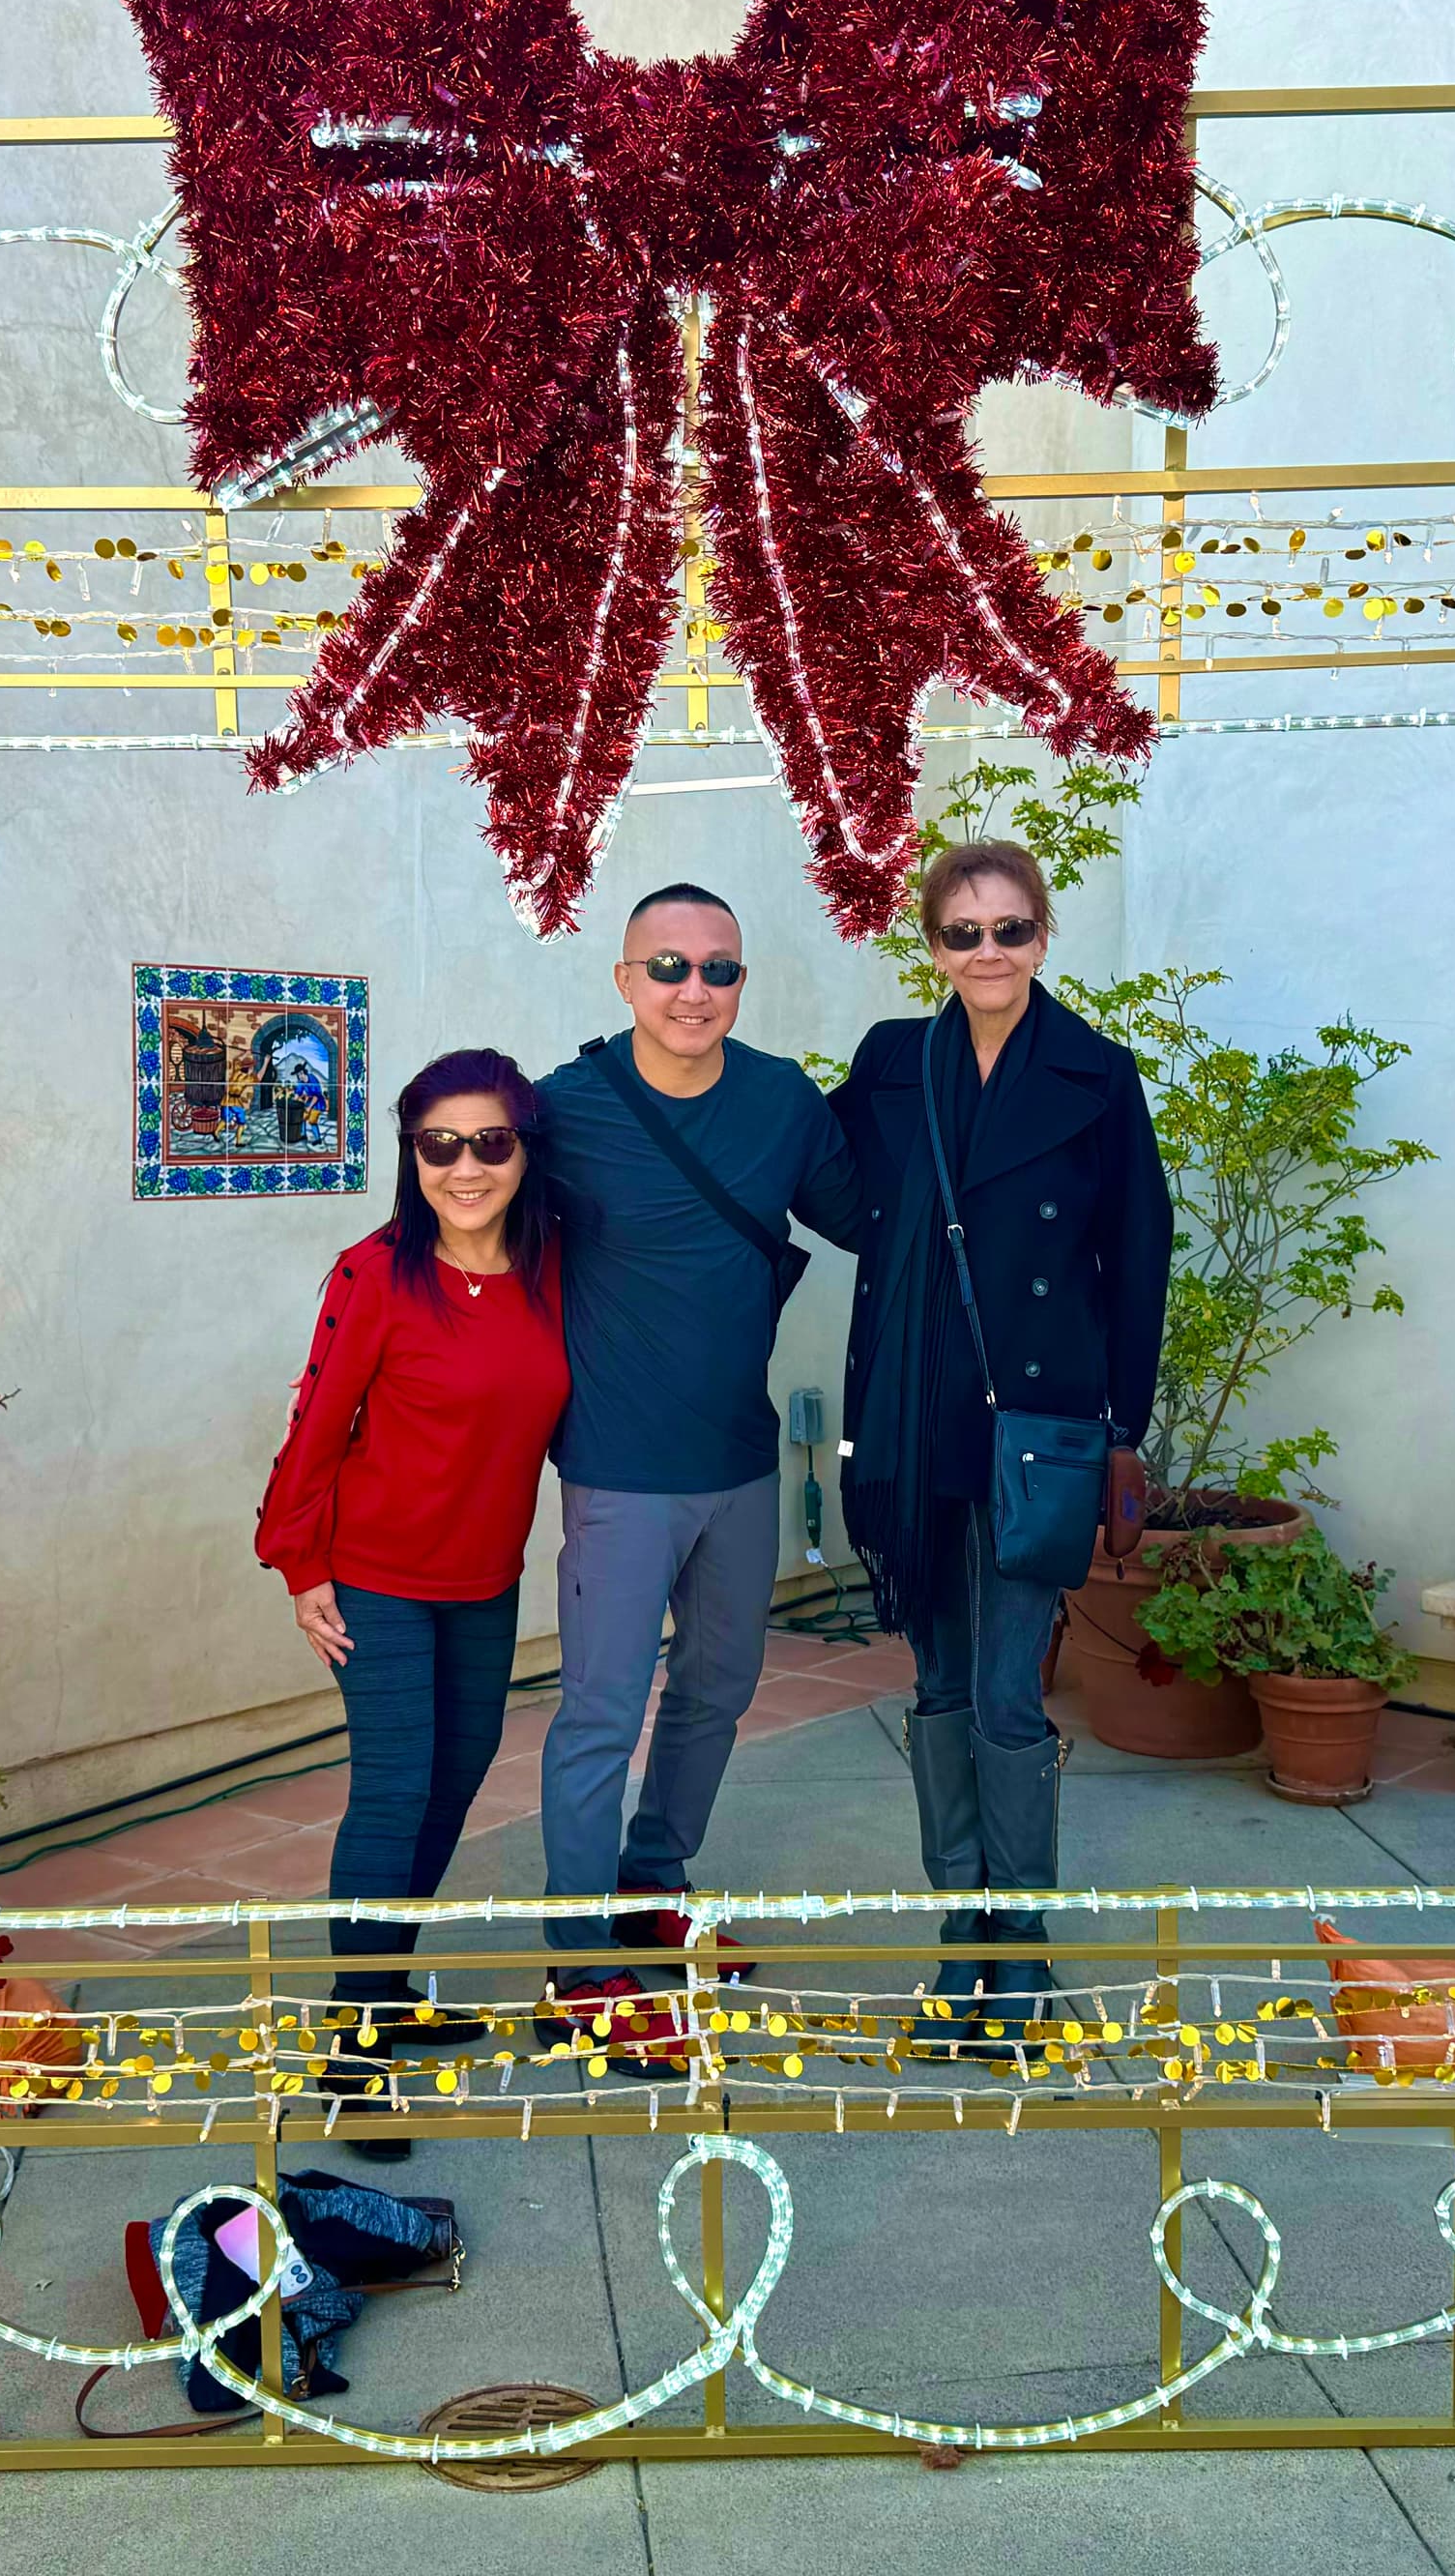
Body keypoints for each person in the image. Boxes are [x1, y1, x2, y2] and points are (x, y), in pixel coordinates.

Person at [830, 839, 1171, 2045]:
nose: (988, 953)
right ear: (932, 947)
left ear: (1044, 938)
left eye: (1010, 930)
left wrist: (1121, 1426)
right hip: (910, 1419)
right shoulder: (891, 1065)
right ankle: (957, 1939)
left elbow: (1138, 1257)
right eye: (963, 933)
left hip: (1039, 1428)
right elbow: (821, 1182)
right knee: (934, 1684)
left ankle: (1018, 1948)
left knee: (1007, 1692)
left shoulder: (1096, 1075)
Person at [531, 882, 858, 2061]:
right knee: (600, 1715)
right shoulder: (563, 1110)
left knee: (719, 1685)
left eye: (718, 969)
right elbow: (466, 1225)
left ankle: (650, 1881)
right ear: (623, 980)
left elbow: (877, 1213)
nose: (693, 990)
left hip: (740, 1456)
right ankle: (580, 1962)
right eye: (667, 967)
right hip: (619, 1468)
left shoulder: (780, 1100)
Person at [254, 1048, 571, 2152]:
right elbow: (317, 1422)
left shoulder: (553, 1269)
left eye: (490, 1142)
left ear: (525, 1149)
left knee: (457, 1776)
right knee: (393, 1793)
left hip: (485, 1576)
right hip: (377, 1578)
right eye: (441, 1146)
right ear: (413, 1156)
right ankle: (353, 2053)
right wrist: (301, 1567)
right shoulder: (376, 1272)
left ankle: (385, 1992)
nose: (467, 1167)